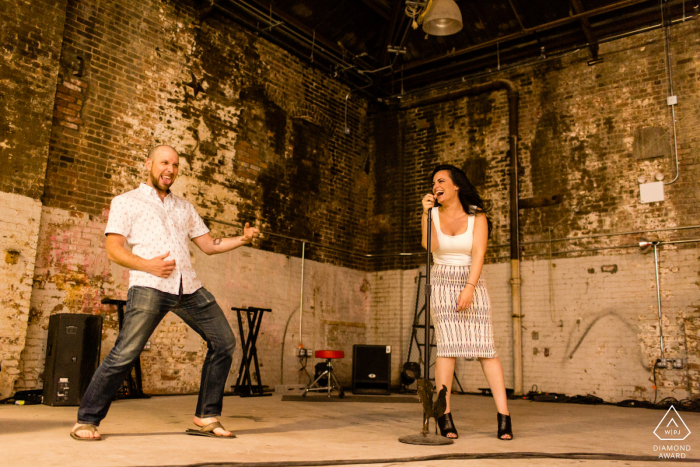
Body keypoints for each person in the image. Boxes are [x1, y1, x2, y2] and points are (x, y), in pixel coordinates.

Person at [70, 145, 259, 441]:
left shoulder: (184, 207)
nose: (169, 169)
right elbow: (114, 250)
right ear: (149, 164)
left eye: (175, 164)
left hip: (189, 287)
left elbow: (210, 246)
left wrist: (243, 239)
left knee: (224, 342)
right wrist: (148, 265)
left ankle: (207, 415)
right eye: (164, 162)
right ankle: (87, 419)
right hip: (150, 285)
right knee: (125, 354)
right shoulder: (126, 202)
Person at [421, 164, 513, 440]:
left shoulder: (477, 216)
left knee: (486, 347)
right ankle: (444, 415)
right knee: (447, 348)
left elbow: (479, 253)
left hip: (472, 280)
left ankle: (504, 416)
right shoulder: (432, 214)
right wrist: (425, 215)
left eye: (441, 180)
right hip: (441, 281)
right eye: (433, 183)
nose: (436, 185)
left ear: (456, 185)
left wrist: (469, 288)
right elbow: (430, 247)